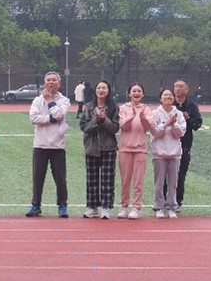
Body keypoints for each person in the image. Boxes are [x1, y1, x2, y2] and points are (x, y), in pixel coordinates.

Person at [26, 71, 71, 218]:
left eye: (54, 80)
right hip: (40, 145)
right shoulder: (37, 100)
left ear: (59, 83)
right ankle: (36, 205)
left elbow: (60, 115)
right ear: (45, 82)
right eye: (48, 80)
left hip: (58, 146)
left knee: (60, 178)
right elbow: (33, 118)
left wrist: (50, 101)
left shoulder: (64, 100)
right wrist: (50, 119)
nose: (51, 83)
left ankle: (62, 205)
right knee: (38, 178)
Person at [80, 80, 119, 219]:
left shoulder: (113, 108)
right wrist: (95, 120)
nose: (101, 90)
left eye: (104, 88)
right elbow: (84, 127)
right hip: (91, 147)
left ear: (108, 91)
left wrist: (104, 120)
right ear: (95, 90)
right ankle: (92, 207)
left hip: (108, 147)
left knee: (107, 179)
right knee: (92, 178)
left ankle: (105, 207)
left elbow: (115, 128)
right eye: (99, 88)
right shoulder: (89, 107)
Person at [117, 83, 154, 219]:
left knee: (138, 180)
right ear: (129, 93)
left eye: (139, 91)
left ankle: (136, 207)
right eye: (134, 91)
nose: (136, 93)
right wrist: (132, 116)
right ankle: (124, 206)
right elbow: (123, 126)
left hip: (140, 149)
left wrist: (143, 117)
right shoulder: (123, 108)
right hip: (125, 148)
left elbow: (148, 128)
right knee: (125, 180)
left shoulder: (146, 109)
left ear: (142, 94)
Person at [150, 88, 186, 218]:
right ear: (160, 98)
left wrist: (174, 124)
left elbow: (180, 133)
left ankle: (171, 207)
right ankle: (159, 207)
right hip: (159, 153)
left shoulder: (179, 114)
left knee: (173, 183)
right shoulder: (155, 114)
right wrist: (166, 124)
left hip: (175, 153)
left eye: (170, 95)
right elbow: (155, 132)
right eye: (165, 95)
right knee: (159, 182)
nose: (168, 97)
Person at [169, 79, 202, 212]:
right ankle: (164, 200)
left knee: (180, 174)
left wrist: (187, 119)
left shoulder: (191, 106)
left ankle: (177, 201)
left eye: (181, 86)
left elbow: (197, 124)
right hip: (168, 144)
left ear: (186, 90)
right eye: (176, 86)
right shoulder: (169, 104)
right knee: (165, 175)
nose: (178, 89)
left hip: (184, 145)